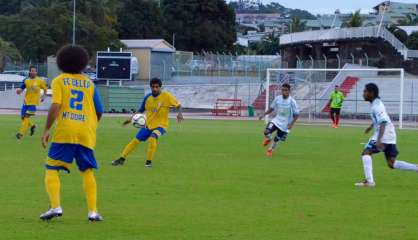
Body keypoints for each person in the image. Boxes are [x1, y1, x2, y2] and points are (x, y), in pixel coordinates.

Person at [40, 45, 104, 221]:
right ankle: (93, 212)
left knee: (52, 168)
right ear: (83, 63)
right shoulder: (90, 83)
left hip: (66, 130)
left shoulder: (59, 80)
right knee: (87, 170)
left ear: (61, 62)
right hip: (86, 131)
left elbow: (56, 105)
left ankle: (55, 207)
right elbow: (100, 110)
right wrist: (89, 125)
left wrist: (46, 129)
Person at [355, 83, 418, 187]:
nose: (363, 94)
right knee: (391, 163)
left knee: (366, 152)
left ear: (371, 93)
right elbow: (381, 119)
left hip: (384, 133)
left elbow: (383, 122)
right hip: (390, 134)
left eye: (365, 91)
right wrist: (371, 127)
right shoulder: (376, 103)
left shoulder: (377, 106)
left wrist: (379, 140)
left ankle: (369, 181)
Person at [112, 78, 183, 168]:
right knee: (135, 141)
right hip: (148, 125)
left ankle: (148, 162)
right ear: (150, 87)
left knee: (153, 137)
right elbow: (140, 111)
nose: (155, 89)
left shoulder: (167, 96)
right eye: (153, 87)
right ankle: (121, 159)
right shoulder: (147, 98)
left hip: (161, 125)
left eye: (157, 87)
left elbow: (179, 105)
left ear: (160, 87)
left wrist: (180, 114)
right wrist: (130, 120)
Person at [259, 83, 300, 157]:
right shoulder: (278, 98)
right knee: (266, 132)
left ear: (289, 91)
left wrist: (291, 125)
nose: (284, 92)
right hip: (276, 121)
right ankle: (269, 138)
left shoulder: (292, 101)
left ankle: (270, 150)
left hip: (284, 125)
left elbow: (297, 115)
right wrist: (263, 114)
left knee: (277, 139)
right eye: (282, 90)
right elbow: (271, 108)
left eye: (286, 90)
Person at [15, 66, 48, 139]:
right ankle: (32, 126)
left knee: (26, 117)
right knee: (23, 118)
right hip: (26, 102)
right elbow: (21, 88)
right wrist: (19, 91)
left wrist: (43, 97)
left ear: (36, 72)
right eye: (32, 71)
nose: (33, 72)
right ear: (29, 72)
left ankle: (21, 134)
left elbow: (45, 89)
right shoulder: (26, 80)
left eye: (35, 71)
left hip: (33, 103)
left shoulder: (40, 80)